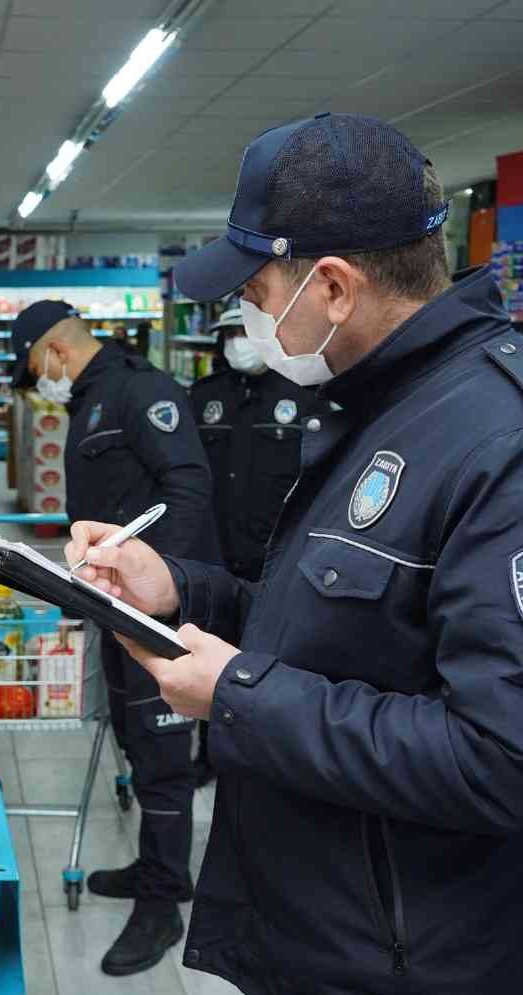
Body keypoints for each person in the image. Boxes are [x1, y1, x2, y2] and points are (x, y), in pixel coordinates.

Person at [66, 115, 523, 995]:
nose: (249, 322)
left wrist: (237, 694)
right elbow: (339, 636)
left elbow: (512, 762)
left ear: (332, 286)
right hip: (343, 954)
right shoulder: (388, 408)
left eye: (256, 293)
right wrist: (182, 590)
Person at [9, 300, 220, 976]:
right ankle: (158, 868)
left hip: (152, 612)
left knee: (161, 757)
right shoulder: (94, 400)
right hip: (115, 606)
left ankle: (162, 906)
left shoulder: (141, 391)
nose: (39, 381)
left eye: (33, 370)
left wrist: (164, 597)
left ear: (53, 354)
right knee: (133, 737)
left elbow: (189, 488)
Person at [187, 307, 316, 786]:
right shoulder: (204, 399)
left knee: (270, 662)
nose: (240, 342)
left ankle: (262, 751)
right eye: (231, 334)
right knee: (208, 655)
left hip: (277, 558)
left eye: (247, 331)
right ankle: (209, 752)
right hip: (214, 554)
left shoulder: (306, 398)